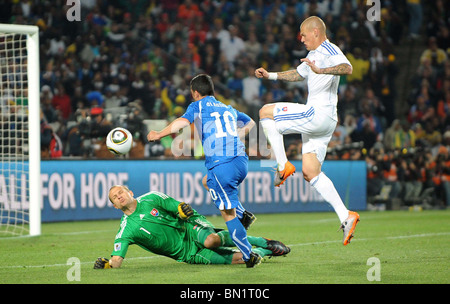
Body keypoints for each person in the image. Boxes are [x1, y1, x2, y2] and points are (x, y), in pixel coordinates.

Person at [254, 16, 360, 246]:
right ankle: (346, 215)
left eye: (303, 34)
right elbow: (298, 74)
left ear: (315, 32)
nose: (300, 39)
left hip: (318, 114)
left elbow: (347, 67)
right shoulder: (312, 55)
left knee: (265, 112)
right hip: (325, 121)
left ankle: (282, 165)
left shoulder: (329, 49)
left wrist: (322, 71)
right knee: (311, 172)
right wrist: (270, 75)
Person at [147, 74, 261, 267]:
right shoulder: (228, 108)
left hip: (221, 164)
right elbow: (251, 122)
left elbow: (182, 123)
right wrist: (239, 133)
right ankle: (243, 214)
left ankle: (248, 255)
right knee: (206, 182)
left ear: (195, 93)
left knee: (228, 214)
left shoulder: (197, 106)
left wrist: (159, 133)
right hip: (241, 161)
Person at [94, 185, 290, 269]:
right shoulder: (125, 230)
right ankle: (264, 250)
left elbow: (177, 206)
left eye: (121, 192)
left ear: (130, 192)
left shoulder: (151, 198)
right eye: (115, 197)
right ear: (115, 206)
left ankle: (264, 242)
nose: (119, 196)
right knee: (241, 260)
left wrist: (182, 210)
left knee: (211, 240)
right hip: (186, 254)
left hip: (189, 226)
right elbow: (117, 259)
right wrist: (108, 264)